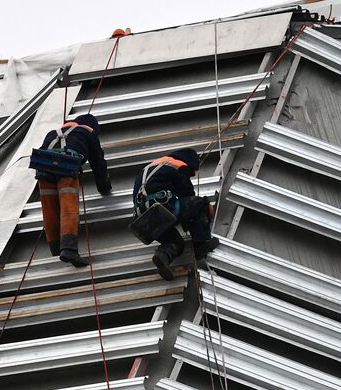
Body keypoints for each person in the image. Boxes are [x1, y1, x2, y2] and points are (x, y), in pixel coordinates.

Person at [34, 112, 112, 267]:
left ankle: (56, 246)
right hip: (66, 164)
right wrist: (104, 187)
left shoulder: (52, 133)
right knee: (68, 206)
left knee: (50, 208)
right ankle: (69, 249)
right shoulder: (88, 132)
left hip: (43, 167)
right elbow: (98, 163)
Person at [130, 148, 214, 280]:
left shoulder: (152, 167)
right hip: (162, 209)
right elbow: (188, 194)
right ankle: (201, 244)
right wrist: (206, 210)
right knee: (200, 203)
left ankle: (163, 256)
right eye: (193, 171)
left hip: (142, 220)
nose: (192, 175)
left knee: (175, 243)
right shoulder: (179, 165)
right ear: (190, 162)